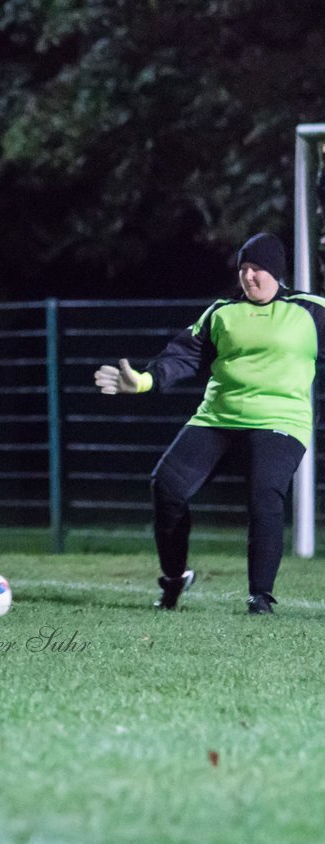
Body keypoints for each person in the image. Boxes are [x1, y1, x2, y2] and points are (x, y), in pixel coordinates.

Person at [94, 232, 324, 614]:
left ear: (278, 271)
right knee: (167, 486)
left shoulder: (309, 309)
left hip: (281, 419)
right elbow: (183, 356)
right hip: (218, 416)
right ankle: (173, 579)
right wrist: (144, 381)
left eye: (258, 269)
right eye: (244, 269)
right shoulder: (222, 312)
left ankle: (260, 599)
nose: (249, 277)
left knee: (265, 496)